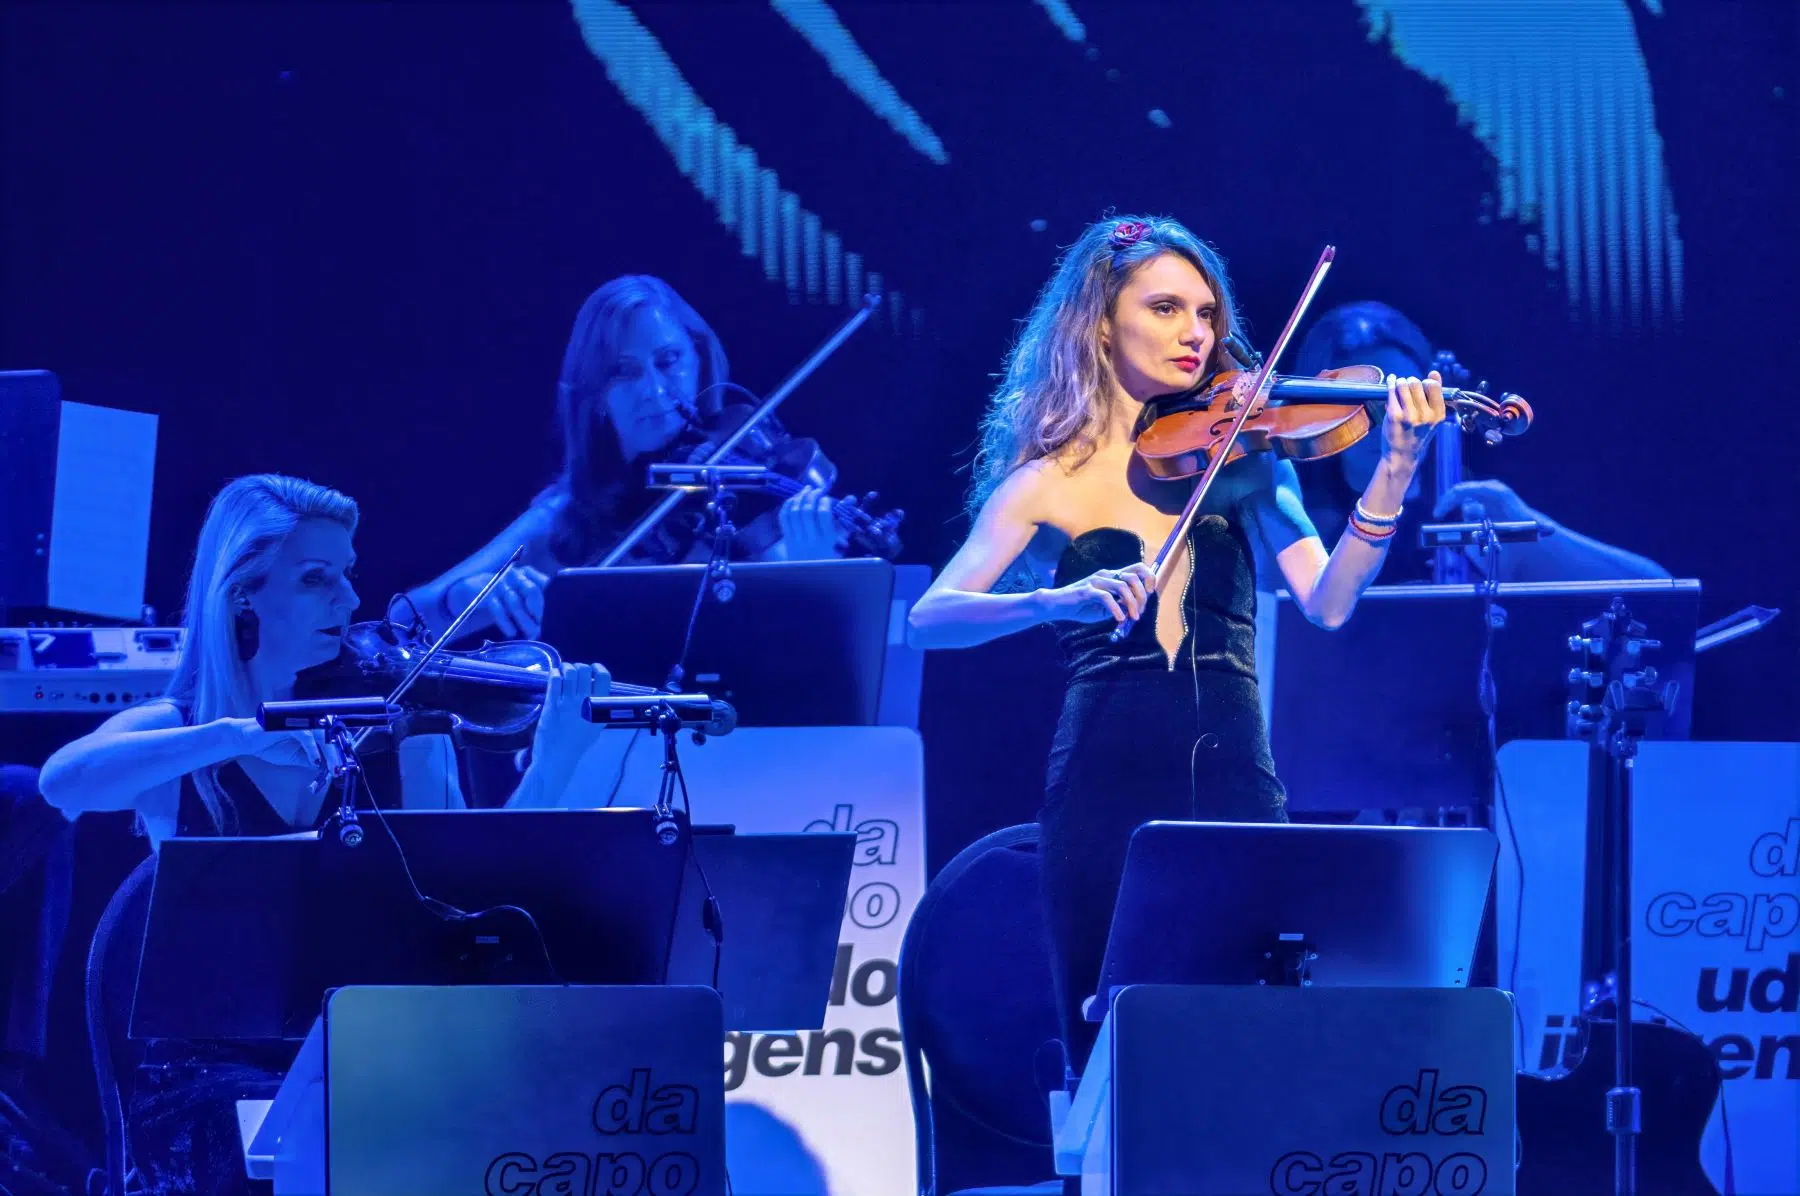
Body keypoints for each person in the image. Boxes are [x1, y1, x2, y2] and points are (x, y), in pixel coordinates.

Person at [906, 216, 1447, 1083]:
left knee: (1251, 1049)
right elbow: (928, 617)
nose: (1196, 333)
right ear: (1099, 322)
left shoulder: (1250, 458)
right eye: (1166, 308)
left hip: (1235, 779)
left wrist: (1393, 471)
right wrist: (1052, 598)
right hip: (1100, 788)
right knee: (1111, 1057)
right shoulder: (1043, 481)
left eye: (1205, 313)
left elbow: (1332, 603)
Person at [35, 473, 608, 1195]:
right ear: (243, 592)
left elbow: (485, 899)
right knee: (330, 1138)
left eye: (346, 575)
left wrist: (554, 763)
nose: (349, 601)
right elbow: (64, 783)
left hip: (368, 1054)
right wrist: (238, 733)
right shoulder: (184, 738)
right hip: (208, 1078)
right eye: (316, 580)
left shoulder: (399, 736)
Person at [405, 275, 850, 641]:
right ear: (596, 394)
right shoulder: (567, 516)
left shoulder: (747, 493)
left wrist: (817, 572)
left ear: (698, 359)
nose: (654, 390)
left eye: (669, 360)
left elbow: (812, 653)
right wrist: (470, 594)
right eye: (624, 371)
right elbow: (406, 620)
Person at [1290, 300, 1669, 583]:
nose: (1394, 416)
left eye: (1410, 394)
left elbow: (1654, 589)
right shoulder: (1295, 522)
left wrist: (1529, 524)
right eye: (1362, 400)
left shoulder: (1474, 519)